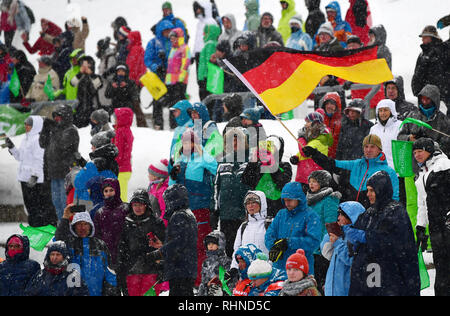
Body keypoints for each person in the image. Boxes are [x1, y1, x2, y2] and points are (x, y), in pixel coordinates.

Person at [347, 171, 420, 296]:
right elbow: (359, 229)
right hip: (370, 274)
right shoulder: (369, 212)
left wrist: (366, 237)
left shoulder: (395, 211)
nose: (368, 194)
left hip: (390, 275)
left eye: (372, 190)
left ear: (381, 190)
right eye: (368, 190)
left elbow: (390, 241)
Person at [169, 128, 218, 286]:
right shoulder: (180, 157)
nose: (187, 144)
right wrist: (173, 172)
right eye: (184, 142)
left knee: (200, 244)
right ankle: (189, 279)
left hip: (200, 207)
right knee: (184, 244)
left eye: (190, 141)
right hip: (182, 209)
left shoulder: (204, 157)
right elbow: (173, 181)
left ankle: (202, 280)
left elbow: (216, 171)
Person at [303, 134, 400, 208]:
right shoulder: (355, 164)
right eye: (366, 147)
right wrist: (315, 154)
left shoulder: (389, 172)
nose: (369, 150)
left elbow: (395, 199)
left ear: (379, 149)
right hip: (349, 214)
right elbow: (332, 164)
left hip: (371, 215)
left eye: (372, 147)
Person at [146, 184, 198, 296]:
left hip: (180, 269)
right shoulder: (188, 214)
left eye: (167, 200)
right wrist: (163, 245)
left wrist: (159, 253)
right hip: (186, 267)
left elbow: (177, 243)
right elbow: (182, 241)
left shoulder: (179, 215)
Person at [6, 116, 58, 227]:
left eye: (29, 124)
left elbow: (38, 159)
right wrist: (12, 147)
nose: (26, 126)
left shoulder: (37, 139)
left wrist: (35, 175)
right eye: (25, 124)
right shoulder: (25, 139)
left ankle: (41, 226)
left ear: (35, 126)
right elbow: (20, 157)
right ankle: (34, 226)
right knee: (29, 205)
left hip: (34, 179)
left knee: (37, 205)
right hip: (24, 177)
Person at [413, 138, 450, 296]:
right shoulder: (422, 172)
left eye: (420, 151)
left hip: (446, 224)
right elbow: (422, 203)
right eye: (414, 152)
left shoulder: (444, 166)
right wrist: (421, 226)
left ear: (429, 150)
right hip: (435, 227)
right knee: (441, 268)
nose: (417, 155)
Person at [55, 207, 120, 296]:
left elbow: (110, 272)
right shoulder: (68, 244)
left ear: (91, 226)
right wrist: (65, 217)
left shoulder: (100, 245)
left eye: (86, 224)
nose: (83, 228)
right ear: (74, 226)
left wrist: (112, 291)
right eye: (79, 224)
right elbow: (58, 241)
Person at [265, 182, 322, 274]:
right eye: (285, 200)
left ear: (298, 199)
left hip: (300, 268)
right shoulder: (281, 214)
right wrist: (274, 246)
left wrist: (288, 243)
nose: (286, 203)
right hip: (279, 268)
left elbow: (314, 242)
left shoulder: (311, 215)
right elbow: (269, 234)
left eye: (290, 200)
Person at [117, 189, 166, 296]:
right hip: (131, 270)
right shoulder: (126, 224)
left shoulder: (157, 223)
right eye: (135, 204)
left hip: (152, 271)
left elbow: (165, 247)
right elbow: (122, 248)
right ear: (131, 206)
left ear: (146, 205)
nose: (137, 208)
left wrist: (162, 267)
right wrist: (121, 270)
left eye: (141, 204)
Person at [213, 127, 250, 256]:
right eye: (231, 141)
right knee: (228, 250)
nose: (234, 144)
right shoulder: (223, 161)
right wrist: (216, 209)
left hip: (244, 214)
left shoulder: (250, 161)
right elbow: (217, 186)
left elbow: (255, 186)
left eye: (237, 141)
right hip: (226, 215)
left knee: (243, 251)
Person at [39, 104, 79, 220]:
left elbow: (62, 145)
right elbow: (42, 143)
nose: (56, 119)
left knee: (64, 202)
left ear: (65, 116)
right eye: (55, 116)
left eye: (59, 116)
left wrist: (54, 129)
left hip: (65, 172)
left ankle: (67, 226)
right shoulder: (55, 130)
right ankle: (61, 226)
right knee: (56, 203)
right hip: (53, 172)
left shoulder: (71, 130)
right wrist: (45, 129)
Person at [320, 201, 366, 296]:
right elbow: (327, 253)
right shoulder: (341, 235)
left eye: (341, 215)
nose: (338, 218)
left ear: (351, 217)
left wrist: (337, 242)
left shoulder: (358, 237)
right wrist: (329, 237)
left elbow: (351, 259)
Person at [242, 135, 292, 217]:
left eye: (272, 146)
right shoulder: (259, 165)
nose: (269, 148)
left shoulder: (284, 166)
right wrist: (253, 162)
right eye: (267, 145)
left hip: (276, 206)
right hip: (258, 205)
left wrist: (271, 164)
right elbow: (246, 180)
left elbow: (282, 182)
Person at [306, 170, 340, 292]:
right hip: (310, 248)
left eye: (314, 182)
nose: (311, 184)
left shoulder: (329, 199)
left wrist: (324, 246)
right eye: (310, 182)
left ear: (323, 183)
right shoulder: (309, 200)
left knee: (320, 284)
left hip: (321, 250)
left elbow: (330, 225)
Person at [398, 84, 450, 158]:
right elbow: (400, 137)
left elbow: (447, 144)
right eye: (422, 98)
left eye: (427, 99)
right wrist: (409, 138)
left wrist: (431, 146)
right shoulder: (413, 115)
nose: (424, 101)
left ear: (434, 100)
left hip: (435, 161)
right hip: (413, 160)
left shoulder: (443, 120)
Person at [24, 241, 90, 296]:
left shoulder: (73, 276)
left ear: (64, 257)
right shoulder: (40, 275)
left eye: (58, 254)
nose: (54, 257)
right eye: (52, 254)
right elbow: (29, 293)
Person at [290, 112, 333, 193]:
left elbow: (305, 151)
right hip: (307, 177)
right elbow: (304, 151)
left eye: (308, 122)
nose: (305, 125)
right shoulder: (313, 138)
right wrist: (296, 157)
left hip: (311, 178)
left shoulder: (320, 139)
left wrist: (301, 138)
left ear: (315, 123)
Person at [73, 130, 118, 204]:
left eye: (93, 146)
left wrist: (75, 172)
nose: (91, 148)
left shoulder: (96, 163)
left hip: (90, 203)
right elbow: (96, 177)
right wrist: (82, 162)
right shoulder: (112, 162)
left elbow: (78, 182)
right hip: (107, 203)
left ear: (98, 147)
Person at [93, 178, 129, 269]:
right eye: (106, 191)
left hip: (124, 252)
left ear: (117, 190)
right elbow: (97, 234)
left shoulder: (126, 208)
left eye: (111, 190)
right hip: (106, 253)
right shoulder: (99, 212)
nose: (108, 193)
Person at [231, 191, 270, 270]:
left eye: (254, 202)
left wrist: (270, 267)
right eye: (248, 203)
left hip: (266, 272)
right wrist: (234, 268)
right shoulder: (243, 226)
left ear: (262, 204)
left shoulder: (269, 224)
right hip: (247, 272)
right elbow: (237, 250)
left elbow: (274, 250)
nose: (250, 206)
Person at [411, 26, 447, 106]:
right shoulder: (423, 54)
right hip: (425, 95)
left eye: (425, 37)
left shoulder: (440, 52)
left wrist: (435, 91)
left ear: (432, 38)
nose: (422, 39)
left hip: (436, 96)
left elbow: (440, 75)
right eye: (422, 37)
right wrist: (417, 89)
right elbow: (418, 73)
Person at [164, 28, 191, 129]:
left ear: (179, 38)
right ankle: (173, 125)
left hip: (179, 81)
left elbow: (185, 64)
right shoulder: (173, 49)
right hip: (171, 81)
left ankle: (181, 124)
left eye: (173, 38)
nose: (172, 40)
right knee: (172, 104)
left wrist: (180, 79)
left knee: (179, 104)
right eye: (170, 38)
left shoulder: (184, 48)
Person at [71, 56, 103, 128]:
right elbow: (72, 83)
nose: (85, 67)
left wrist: (91, 74)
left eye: (87, 64)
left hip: (93, 108)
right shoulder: (80, 77)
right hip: (80, 108)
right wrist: (80, 73)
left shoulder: (96, 77)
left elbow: (99, 85)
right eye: (83, 64)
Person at [369, 99, 402, 169]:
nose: (383, 113)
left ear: (391, 111)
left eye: (385, 110)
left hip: (396, 171)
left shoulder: (400, 126)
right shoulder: (373, 129)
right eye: (380, 110)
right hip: (378, 170)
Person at [198, 231, 232, 296]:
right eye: (208, 244)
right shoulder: (206, 262)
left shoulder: (226, 261)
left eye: (213, 244)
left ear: (220, 244)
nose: (210, 246)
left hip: (221, 291)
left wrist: (223, 290)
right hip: (209, 292)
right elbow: (204, 280)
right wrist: (205, 288)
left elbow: (229, 280)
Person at [112, 107, 134, 202]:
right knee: (121, 194)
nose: (115, 120)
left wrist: (113, 163)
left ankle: (123, 214)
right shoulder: (126, 130)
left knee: (120, 196)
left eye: (116, 118)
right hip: (125, 168)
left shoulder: (120, 132)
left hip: (120, 169)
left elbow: (118, 152)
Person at [198, 23, 221, 101]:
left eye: (206, 32)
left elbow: (209, 61)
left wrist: (203, 77)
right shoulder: (213, 43)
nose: (204, 34)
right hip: (207, 77)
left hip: (206, 77)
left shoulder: (210, 44)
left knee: (206, 100)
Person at [320, 92, 342, 159]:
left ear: (337, 106)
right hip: (322, 157)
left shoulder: (343, 121)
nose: (329, 106)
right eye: (327, 104)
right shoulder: (320, 120)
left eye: (332, 104)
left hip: (338, 158)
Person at [148, 158, 170, 226]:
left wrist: (162, 226)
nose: (148, 175)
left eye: (150, 174)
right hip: (153, 222)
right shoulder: (152, 186)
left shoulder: (162, 191)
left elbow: (165, 211)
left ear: (155, 176)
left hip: (159, 225)